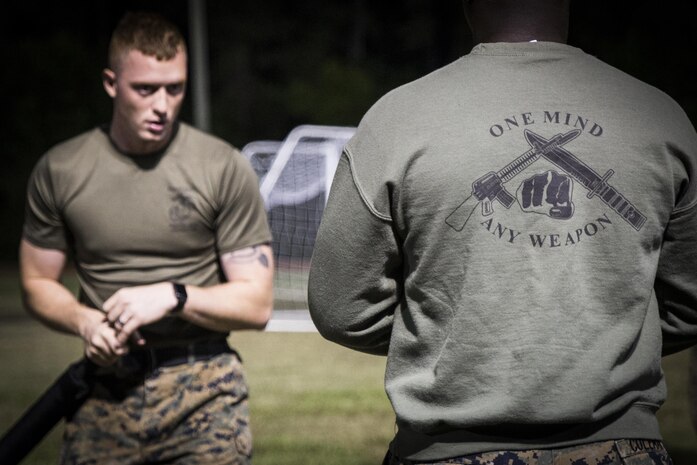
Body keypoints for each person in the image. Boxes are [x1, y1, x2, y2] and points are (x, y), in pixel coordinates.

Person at [308, 0, 697, 464]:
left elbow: (340, 308)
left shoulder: (397, 120)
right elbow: (688, 301)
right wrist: (594, 340)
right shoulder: (658, 116)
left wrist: (451, 339)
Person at [20, 11, 273, 465]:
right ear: (111, 83)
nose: (163, 105)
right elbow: (37, 282)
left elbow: (256, 304)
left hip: (205, 390)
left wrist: (174, 296)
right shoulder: (61, 170)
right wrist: (85, 322)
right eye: (145, 89)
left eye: (174, 88)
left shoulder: (222, 167)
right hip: (103, 389)